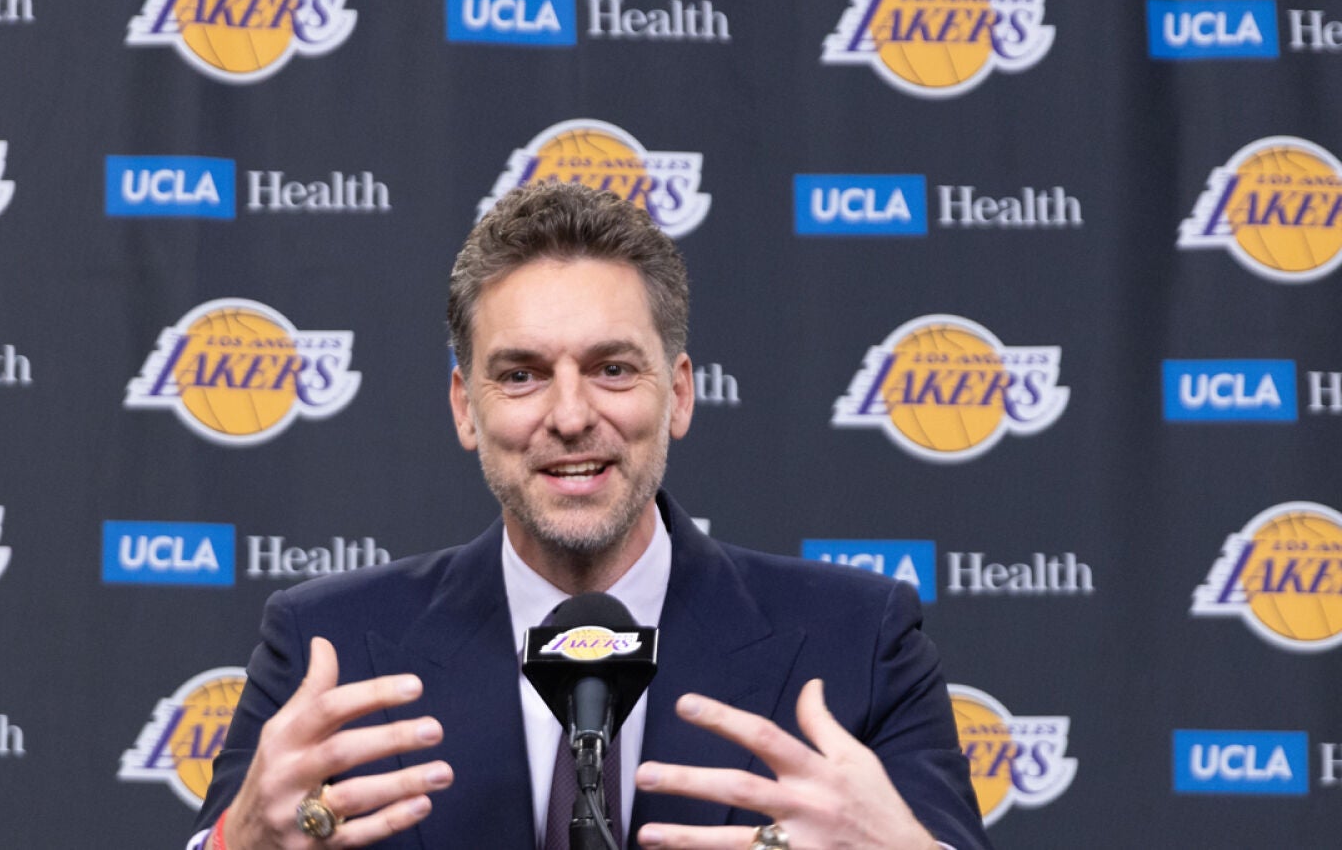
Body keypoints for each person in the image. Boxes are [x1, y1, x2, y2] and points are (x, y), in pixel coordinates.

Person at [189, 182, 989, 850]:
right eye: (522, 375)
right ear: (465, 407)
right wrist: (236, 842)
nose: (570, 416)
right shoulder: (326, 648)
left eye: (612, 368)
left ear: (678, 394)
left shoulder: (858, 643)